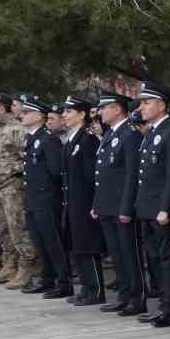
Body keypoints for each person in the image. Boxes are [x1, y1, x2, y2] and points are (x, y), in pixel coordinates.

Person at [133, 81, 170, 326]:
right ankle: (163, 304)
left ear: (162, 105)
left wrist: (166, 207)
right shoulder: (152, 131)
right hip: (147, 207)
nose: (141, 107)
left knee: (166, 259)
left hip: (161, 209)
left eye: (147, 102)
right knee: (153, 258)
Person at [92, 90, 146, 314]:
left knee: (129, 253)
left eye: (104, 107)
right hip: (107, 205)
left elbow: (132, 175)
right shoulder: (110, 134)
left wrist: (126, 208)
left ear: (117, 109)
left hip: (122, 207)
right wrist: (97, 205)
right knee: (116, 254)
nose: (100, 112)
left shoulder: (130, 134)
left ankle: (137, 297)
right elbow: (102, 174)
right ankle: (124, 295)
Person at [0, 92, 38, 288]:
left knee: (18, 229)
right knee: (3, 229)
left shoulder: (17, 129)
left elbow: (29, 159)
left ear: (2, 108)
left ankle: (27, 267)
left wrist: (8, 171)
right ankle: (10, 264)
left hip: (12, 187)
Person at [20, 95, 72, 298]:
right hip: (33, 199)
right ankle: (47, 278)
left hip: (47, 199)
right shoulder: (32, 138)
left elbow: (56, 172)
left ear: (39, 116)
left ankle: (63, 282)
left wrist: (50, 196)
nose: (22, 115)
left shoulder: (48, 139)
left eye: (26, 112)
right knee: (39, 242)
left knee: (53, 242)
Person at [58, 96, 104, 305]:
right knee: (78, 246)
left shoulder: (88, 139)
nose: (64, 115)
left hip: (85, 203)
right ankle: (86, 287)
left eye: (69, 111)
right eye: (64, 112)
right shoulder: (72, 139)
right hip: (73, 202)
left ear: (82, 114)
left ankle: (96, 290)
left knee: (88, 246)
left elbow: (92, 176)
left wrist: (94, 204)